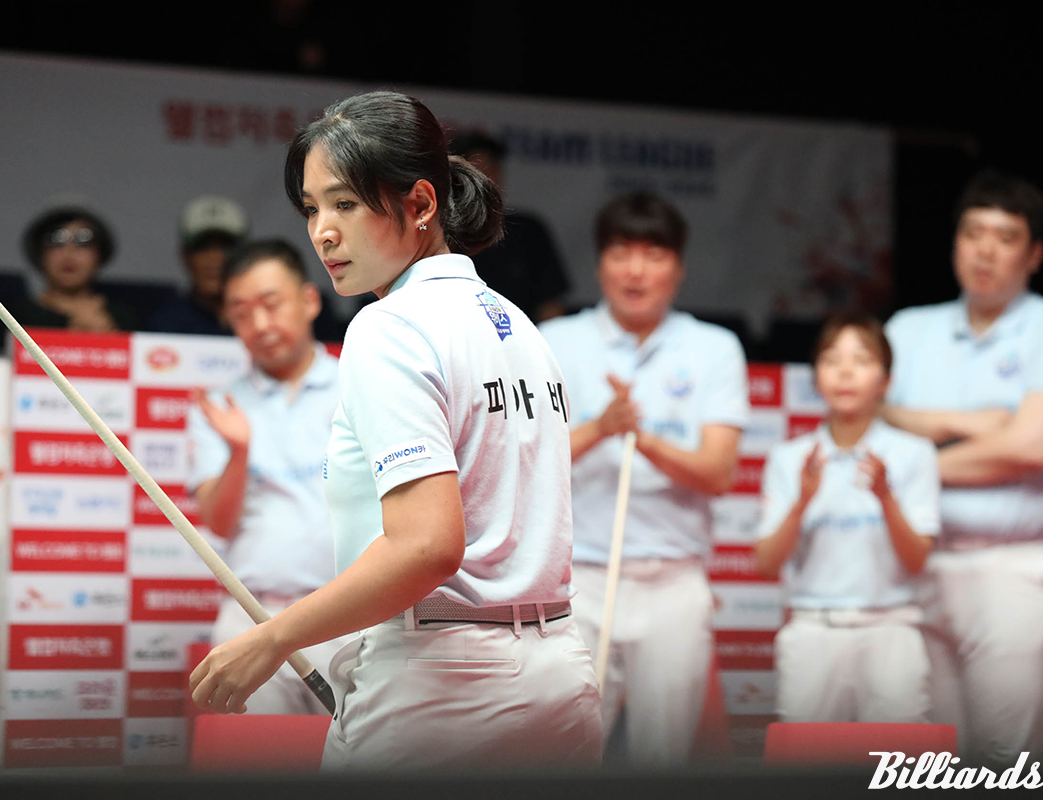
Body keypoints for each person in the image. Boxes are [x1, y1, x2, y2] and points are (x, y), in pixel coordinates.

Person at [188, 90, 603, 771]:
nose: (322, 230)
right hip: (557, 671)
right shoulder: (519, 324)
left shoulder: (388, 327)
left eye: (345, 203)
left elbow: (428, 546)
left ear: (419, 205)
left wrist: (270, 640)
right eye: (312, 207)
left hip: (441, 685)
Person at [882, 169, 1043, 763]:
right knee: (924, 759)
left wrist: (914, 445)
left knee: (1006, 758)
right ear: (954, 242)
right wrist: (984, 424)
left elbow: (1033, 449)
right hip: (916, 563)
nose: (985, 249)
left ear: (1034, 255)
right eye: (973, 232)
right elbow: (871, 433)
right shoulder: (907, 330)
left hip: (1016, 568)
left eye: (1005, 237)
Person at [538, 191, 749, 766]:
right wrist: (602, 427)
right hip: (575, 582)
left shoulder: (714, 348)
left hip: (673, 584)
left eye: (653, 254)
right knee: (565, 753)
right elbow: (526, 460)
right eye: (620, 253)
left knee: (666, 758)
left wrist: (644, 438)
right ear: (599, 262)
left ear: (678, 268)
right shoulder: (553, 342)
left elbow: (719, 473)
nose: (635, 270)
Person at [187, 238, 351, 715]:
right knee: (250, 771)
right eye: (240, 312)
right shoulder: (220, 406)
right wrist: (239, 450)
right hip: (251, 616)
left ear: (309, 300)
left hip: (349, 613)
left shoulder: (358, 383)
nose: (259, 325)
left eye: (270, 304)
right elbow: (217, 522)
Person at [755, 314, 939, 724]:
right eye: (832, 359)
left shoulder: (913, 454)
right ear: (816, 376)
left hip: (891, 629)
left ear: (886, 381)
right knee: (808, 774)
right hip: (812, 630)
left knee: (900, 773)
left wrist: (886, 497)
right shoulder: (790, 458)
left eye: (862, 360)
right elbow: (766, 562)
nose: (845, 371)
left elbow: (917, 560)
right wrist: (802, 501)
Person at [450, 131, 571, 322]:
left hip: (520, 342)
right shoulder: (439, 232)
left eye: (490, 170)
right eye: (475, 172)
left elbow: (550, 305)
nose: (483, 181)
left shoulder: (528, 232)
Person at [13, 199, 140, 332]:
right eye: (55, 241)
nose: (69, 253)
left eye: (83, 241)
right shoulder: (12, 318)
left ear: (100, 256)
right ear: (39, 255)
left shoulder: (125, 318)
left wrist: (110, 337)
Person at [146, 195, 250, 336]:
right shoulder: (164, 325)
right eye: (203, 247)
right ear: (185, 257)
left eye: (225, 247)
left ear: (244, 256)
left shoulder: (263, 321)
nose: (215, 259)